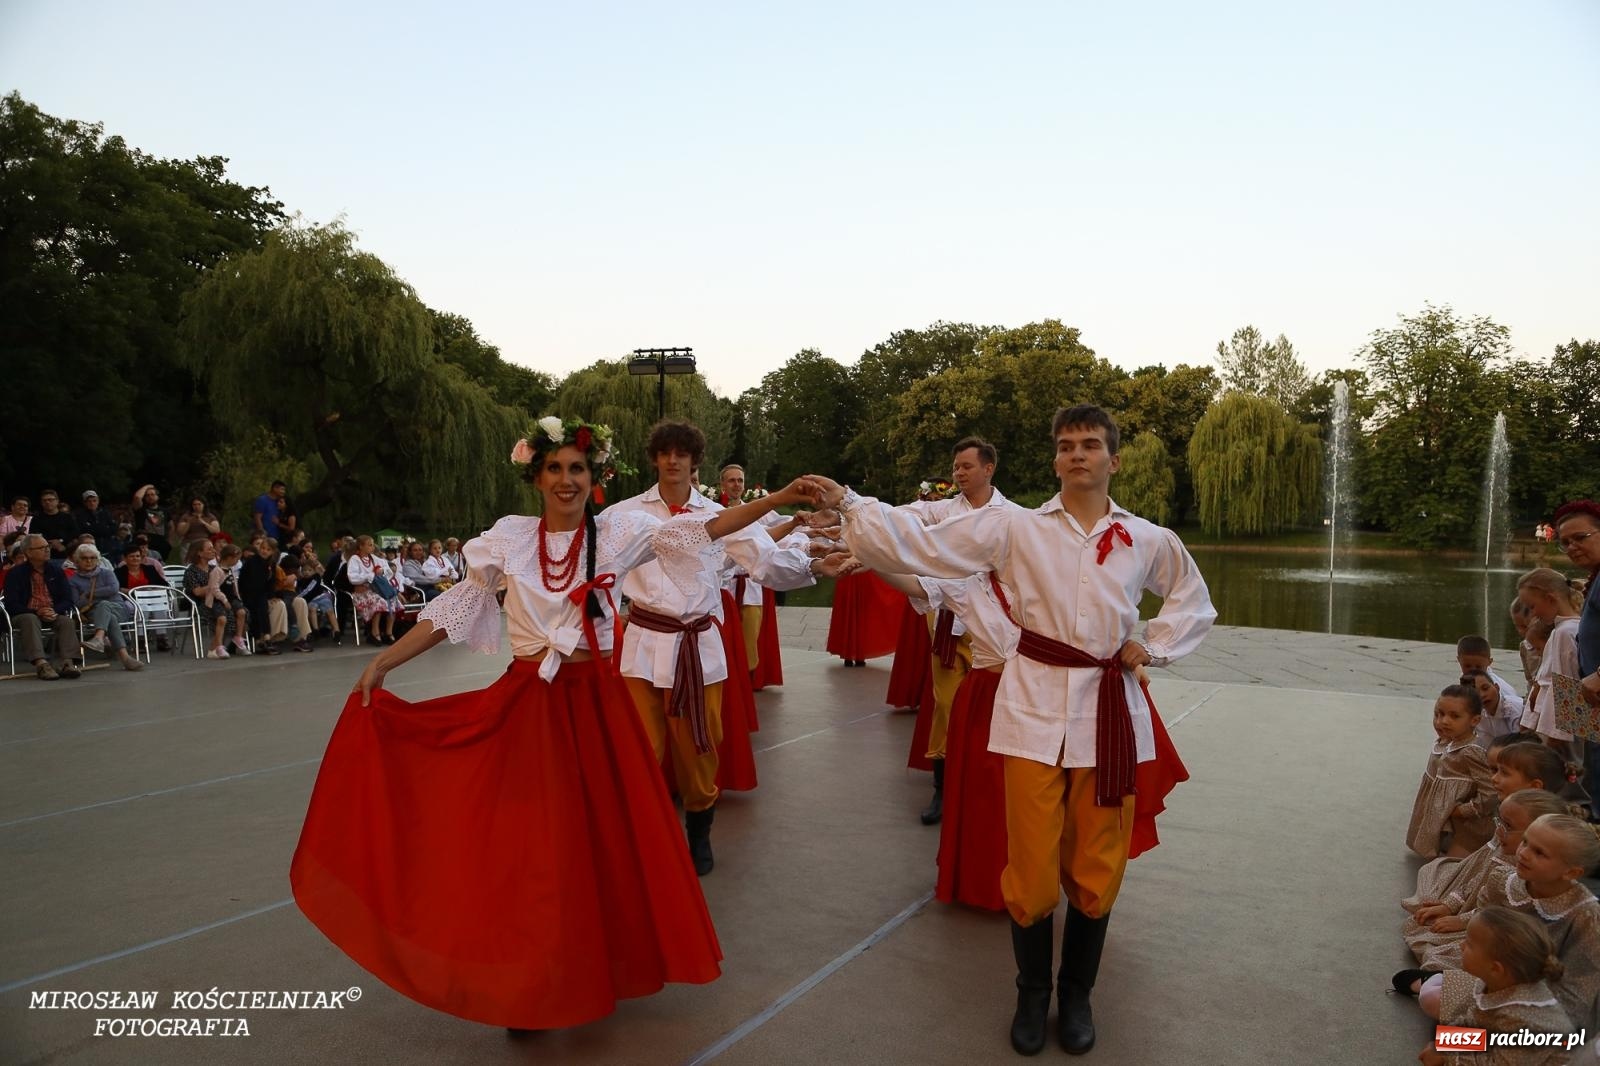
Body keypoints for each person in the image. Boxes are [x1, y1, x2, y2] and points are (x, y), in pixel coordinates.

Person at [290, 417, 820, 1032]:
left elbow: (707, 527)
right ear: (536, 478)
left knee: (596, 842)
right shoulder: (508, 540)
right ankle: (528, 983)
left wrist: (780, 499)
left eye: (577, 469)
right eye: (554, 468)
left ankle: (592, 968)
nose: (566, 480)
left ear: (594, 478)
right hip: (529, 706)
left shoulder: (619, 532)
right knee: (530, 849)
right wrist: (384, 661)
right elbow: (458, 604)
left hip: (596, 704)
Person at [818, 403, 1216, 1055]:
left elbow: (1191, 599)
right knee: (1030, 867)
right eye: (1067, 445)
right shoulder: (1014, 528)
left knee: (1098, 864)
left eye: (1090, 444)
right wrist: (850, 503)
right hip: (1031, 711)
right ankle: (1032, 993)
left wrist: (1155, 644)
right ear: (1055, 459)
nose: (1077, 453)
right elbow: (925, 545)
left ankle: (1077, 996)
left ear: (1113, 460)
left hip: (1109, 715)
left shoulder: (1148, 539)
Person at [609, 419, 840, 876]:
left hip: (696, 645)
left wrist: (814, 566)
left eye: (682, 453)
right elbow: (598, 564)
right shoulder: (623, 514)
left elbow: (766, 563)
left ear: (695, 461)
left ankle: (699, 827)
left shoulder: (722, 515)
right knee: (640, 746)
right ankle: (644, 833)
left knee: (700, 746)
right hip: (642, 643)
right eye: (665, 452)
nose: (672, 460)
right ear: (654, 458)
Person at [902, 437, 1017, 825]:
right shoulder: (941, 511)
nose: (958, 473)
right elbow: (900, 518)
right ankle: (942, 787)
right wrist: (849, 515)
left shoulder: (1014, 517)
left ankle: (990, 783)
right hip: (950, 621)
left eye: (966, 466)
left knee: (995, 706)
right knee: (947, 704)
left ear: (988, 469)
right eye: (955, 467)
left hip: (995, 628)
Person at [1404, 814, 1600, 1028]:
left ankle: (1457, 1040)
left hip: (1545, 998)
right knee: (1431, 998)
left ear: (1571, 872)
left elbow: (1581, 984)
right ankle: (1434, 987)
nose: (1523, 853)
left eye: (1539, 853)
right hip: (1497, 978)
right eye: (1525, 842)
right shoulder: (1505, 880)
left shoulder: (1587, 915)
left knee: (1512, 1034)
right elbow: (1485, 915)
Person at [1402, 786, 1567, 974]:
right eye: (1499, 821)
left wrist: (1462, 920)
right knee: (1418, 921)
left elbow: (1499, 914)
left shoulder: (1525, 872)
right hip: (1474, 911)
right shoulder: (1505, 846)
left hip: (1491, 929)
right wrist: (1450, 905)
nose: (1499, 830)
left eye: (1508, 826)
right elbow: (1477, 879)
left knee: (1437, 953)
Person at [1415, 907, 1572, 1066]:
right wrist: (1443, 1044)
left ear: (1495, 969)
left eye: (1469, 944)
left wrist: (1448, 1057)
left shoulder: (1525, 1022)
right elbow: (1476, 1021)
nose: (1461, 946)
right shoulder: (1496, 985)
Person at [1408, 685, 1495, 858]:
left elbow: (1490, 792)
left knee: (1449, 867)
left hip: (1465, 826)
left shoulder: (1471, 751)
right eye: (1439, 714)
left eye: (1454, 716)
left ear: (1475, 720)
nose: (1443, 721)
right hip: (1442, 818)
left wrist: (1462, 810)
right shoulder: (1446, 741)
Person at [1553, 501, 1600, 819]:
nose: (1572, 547)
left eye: (1580, 537)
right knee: (1592, 767)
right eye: (1565, 542)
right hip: (1590, 699)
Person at [1515, 568, 1583, 749]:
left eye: (1532, 606)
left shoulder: (1564, 632)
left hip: (1559, 732)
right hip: (1556, 726)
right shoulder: (1564, 629)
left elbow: (1565, 683)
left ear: (1550, 599)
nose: (1533, 614)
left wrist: (1555, 738)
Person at [2, 534, 83, 680]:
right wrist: (36, 611)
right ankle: (42, 664)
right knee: (30, 619)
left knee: (66, 621)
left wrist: (54, 610)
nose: (47, 550)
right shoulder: (15, 574)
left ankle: (67, 663)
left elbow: (67, 599)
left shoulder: (56, 571)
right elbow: (11, 603)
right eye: (41, 548)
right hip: (25, 613)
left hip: (51, 612)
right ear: (28, 552)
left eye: (47, 546)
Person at [67, 542, 143, 671]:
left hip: (118, 609)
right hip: (93, 614)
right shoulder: (73, 580)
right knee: (108, 615)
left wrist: (89, 594)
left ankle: (98, 638)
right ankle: (125, 658)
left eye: (92, 558)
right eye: (84, 558)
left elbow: (114, 589)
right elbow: (76, 602)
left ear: (97, 559)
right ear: (77, 560)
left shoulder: (106, 573)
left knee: (104, 606)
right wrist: (100, 595)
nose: (89, 561)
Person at [1455, 636, 1524, 743]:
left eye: (1478, 667)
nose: (1473, 670)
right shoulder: (1465, 680)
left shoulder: (1508, 698)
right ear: (1459, 660)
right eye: (1467, 666)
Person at [346, 535, 403, 644]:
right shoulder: (355, 559)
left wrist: (382, 571)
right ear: (361, 546)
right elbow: (352, 578)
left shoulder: (374, 558)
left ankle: (389, 632)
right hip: (362, 593)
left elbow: (389, 572)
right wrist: (370, 575)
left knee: (392, 601)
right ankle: (375, 633)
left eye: (372, 545)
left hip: (376, 590)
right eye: (370, 545)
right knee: (379, 602)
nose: (372, 547)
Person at [129, 485, 172, 562]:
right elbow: (137, 497)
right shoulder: (141, 509)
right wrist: (147, 486)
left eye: (152, 494)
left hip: (161, 543)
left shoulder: (165, 511)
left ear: (157, 497)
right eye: (147, 495)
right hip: (144, 542)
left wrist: (169, 541)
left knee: (159, 565)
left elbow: (171, 526)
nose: (150, 497)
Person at [32, 489, 77, 560]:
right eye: (44, 500)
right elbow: (33, 535)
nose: (47, 502)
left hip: (65, 554)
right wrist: (49, 543)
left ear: (57, 501)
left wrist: (62, 542)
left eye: (50, 500)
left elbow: (75, 534)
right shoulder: (36, 519)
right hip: (43, 554)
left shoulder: (67, 517)